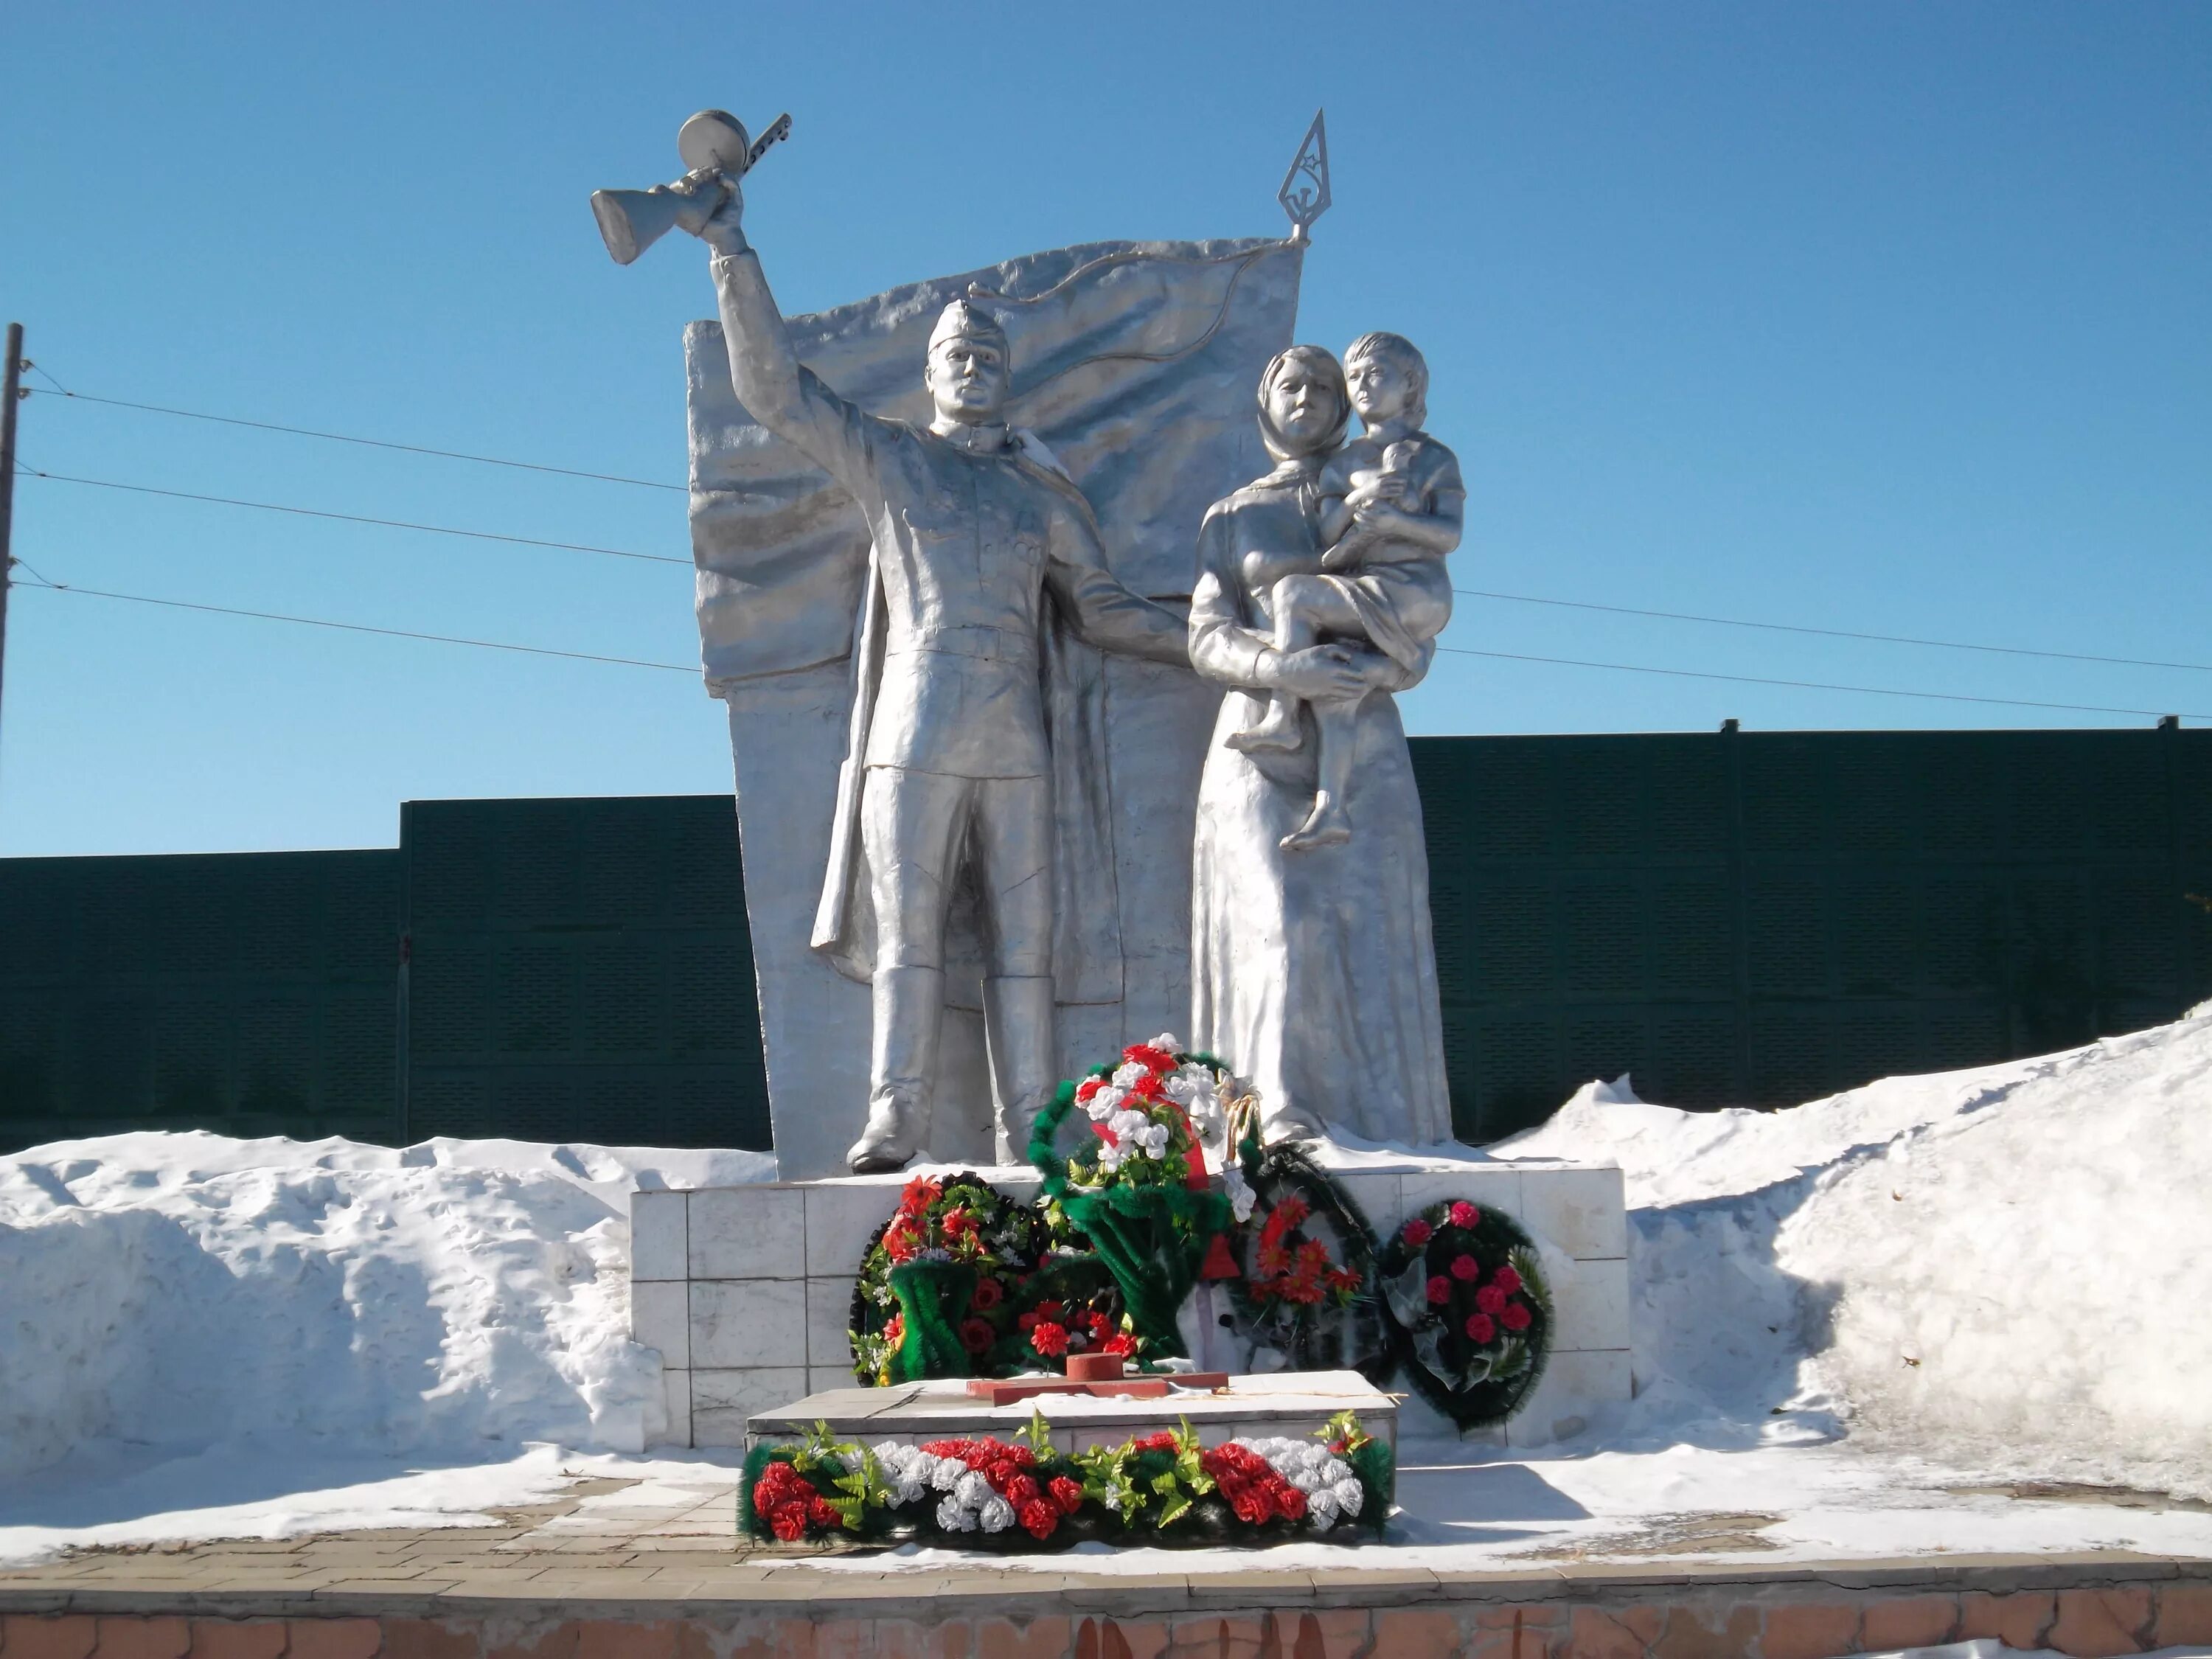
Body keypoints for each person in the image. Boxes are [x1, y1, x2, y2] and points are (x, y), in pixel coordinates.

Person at [670, 169, 1192, 1173]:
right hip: (913, 733)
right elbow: (774, 389)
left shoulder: (1041, 493)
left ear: (1009, 374)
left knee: (1024, 949)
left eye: (990, 353)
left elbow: (1107, 610)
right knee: (909, 937)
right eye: (957, 352)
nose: (974, 365)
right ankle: (895, 1117)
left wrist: (1215, 642)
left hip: (1018, 743)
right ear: (933, 369)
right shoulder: (895, 458)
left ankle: (1034, 1128)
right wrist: (732, 253)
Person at [1186, 346, 1455, 1145]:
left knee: (1362, 924)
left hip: (1358, 733)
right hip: (1260, 740)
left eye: (1323, 385)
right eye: (1289, 384)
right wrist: (1279, 665)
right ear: (1265, 403)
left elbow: (1419, 613)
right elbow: (1205, 635)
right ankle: (1274, 1109)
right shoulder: (1230, 515)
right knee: (1277, 912)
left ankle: (1384, 1122)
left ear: (1346, 404)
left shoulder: (1381, 482)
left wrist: (1380, 661)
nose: (1306, 396)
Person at [1224, 333, 1463, 852]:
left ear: (1411, 386)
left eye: (1373, 375)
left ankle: (1285, 715)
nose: (1362, 387)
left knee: (1292, 595)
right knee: (1336, 680)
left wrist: (1398, 519)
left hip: (1415, 589)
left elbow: (1450, 534)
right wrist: (1361, 498)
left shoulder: (1435, 458)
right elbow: (1331, 538)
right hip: (1364, 590)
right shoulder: (1335, 469)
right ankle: (1330, 807)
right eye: (1355, 378)